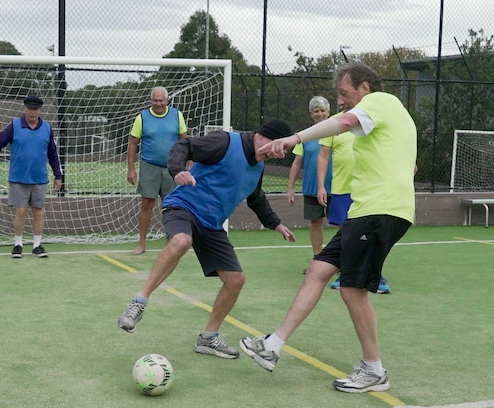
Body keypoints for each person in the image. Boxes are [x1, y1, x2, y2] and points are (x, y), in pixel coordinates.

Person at [240, 62, 416, 393]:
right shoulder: (385, 114)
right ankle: (273, 345)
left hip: (380, 211)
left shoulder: (380, 101)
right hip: (367, 210)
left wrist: (294, 138)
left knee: (352, 288)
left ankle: (374, 369)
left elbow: (343, 122)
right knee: (317, 270)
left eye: (344, 93)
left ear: (365, 87)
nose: (340, 101)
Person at [117, 120, 297, 359]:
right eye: (282, 147)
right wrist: (178, 170)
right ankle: (138, 303)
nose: (281, 154)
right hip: (184, 206)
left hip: (212, 224)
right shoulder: (225, 142)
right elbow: (183, 146)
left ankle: (208, 338)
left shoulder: (258, 168)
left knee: (235, 280)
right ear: (265, 137)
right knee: (181, 240)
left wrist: (276, 223)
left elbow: (256, 198)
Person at [0, 94, 63, 258]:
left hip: (39, 178)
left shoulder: (47, 128)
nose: (32, 112)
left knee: (38, 211)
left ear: (40, 110)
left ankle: (37, 246)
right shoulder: (14, 126)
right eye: (29, 109)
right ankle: (18, 244)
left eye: (35, 109)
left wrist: (58, 175)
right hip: (19, 178)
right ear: (24, 108)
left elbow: (53, 154)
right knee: (21, 211)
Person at [317, 108, 391, 294]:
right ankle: (345, 274)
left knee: (370, 234)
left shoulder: (372, 120)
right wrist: (321, 186)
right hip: (342, 189)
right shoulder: (334, 122)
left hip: (368, 189)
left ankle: (376, 275)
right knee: (347, 235)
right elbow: (323, 156)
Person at [126, 86, 188, 254]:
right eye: (155, 100)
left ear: (167, 100)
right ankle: (142, 243)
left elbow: (185, 141)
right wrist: (131, 169)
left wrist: (188, 164)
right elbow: (132, 143)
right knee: (147, 204)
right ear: (151, 100)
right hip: (149, 166)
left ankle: (170, 243)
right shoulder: (142, 118)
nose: (158, 103)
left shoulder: (177, 115)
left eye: (161, 100)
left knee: (172, 206)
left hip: (173, 167)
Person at [286, 96, 332, 264]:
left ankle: (344, 261)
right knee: (315, 223)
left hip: (338, 187)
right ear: (311, 114)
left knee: (345, 224)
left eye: (322, 111)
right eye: (316, 111)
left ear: (329, 112)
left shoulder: (340, 132)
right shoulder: (305, 136)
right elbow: (297, 162)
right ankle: (318, 259)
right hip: (312, 188)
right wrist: (290, 188)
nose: (320, 114)